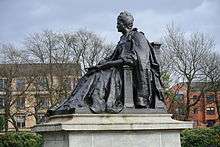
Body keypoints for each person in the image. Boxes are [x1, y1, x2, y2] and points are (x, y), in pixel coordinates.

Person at [47, 11, 165, 116]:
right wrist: (102, 63)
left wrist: (107, 65)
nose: (116, 25)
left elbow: (135, 59)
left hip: (127, 76)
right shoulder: (123, 39)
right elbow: (113, 56)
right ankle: (76, 102)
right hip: (116, 69)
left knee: (100, 76)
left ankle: (93, 102)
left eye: (118, 23)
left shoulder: (138, 37)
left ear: (123, 24)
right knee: (92, 73)